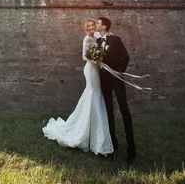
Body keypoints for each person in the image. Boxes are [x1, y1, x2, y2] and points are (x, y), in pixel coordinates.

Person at [42, 19, 113, 156]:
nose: (92, 27)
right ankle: (86, 130)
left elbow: (105, 36)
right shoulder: (87, 39)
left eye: (94, 25)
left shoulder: (97, 37)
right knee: (93, 93)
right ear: (86, 28)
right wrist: (96, 59)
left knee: (95, 94)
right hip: (91, 69)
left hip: (97, 69)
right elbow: (84, 56)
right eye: (90, 26)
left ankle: (94, 129)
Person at [96, 17, 136, 165]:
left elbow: (125, 57)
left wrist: (119, 72)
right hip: (104, 80)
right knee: (108, 111)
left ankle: (131, 149)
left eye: (98, 23)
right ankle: (113, 146)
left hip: (117, 79)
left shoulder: (115, 40)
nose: (96, 25)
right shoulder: (98, 42)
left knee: (124, 110)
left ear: (104, 26)